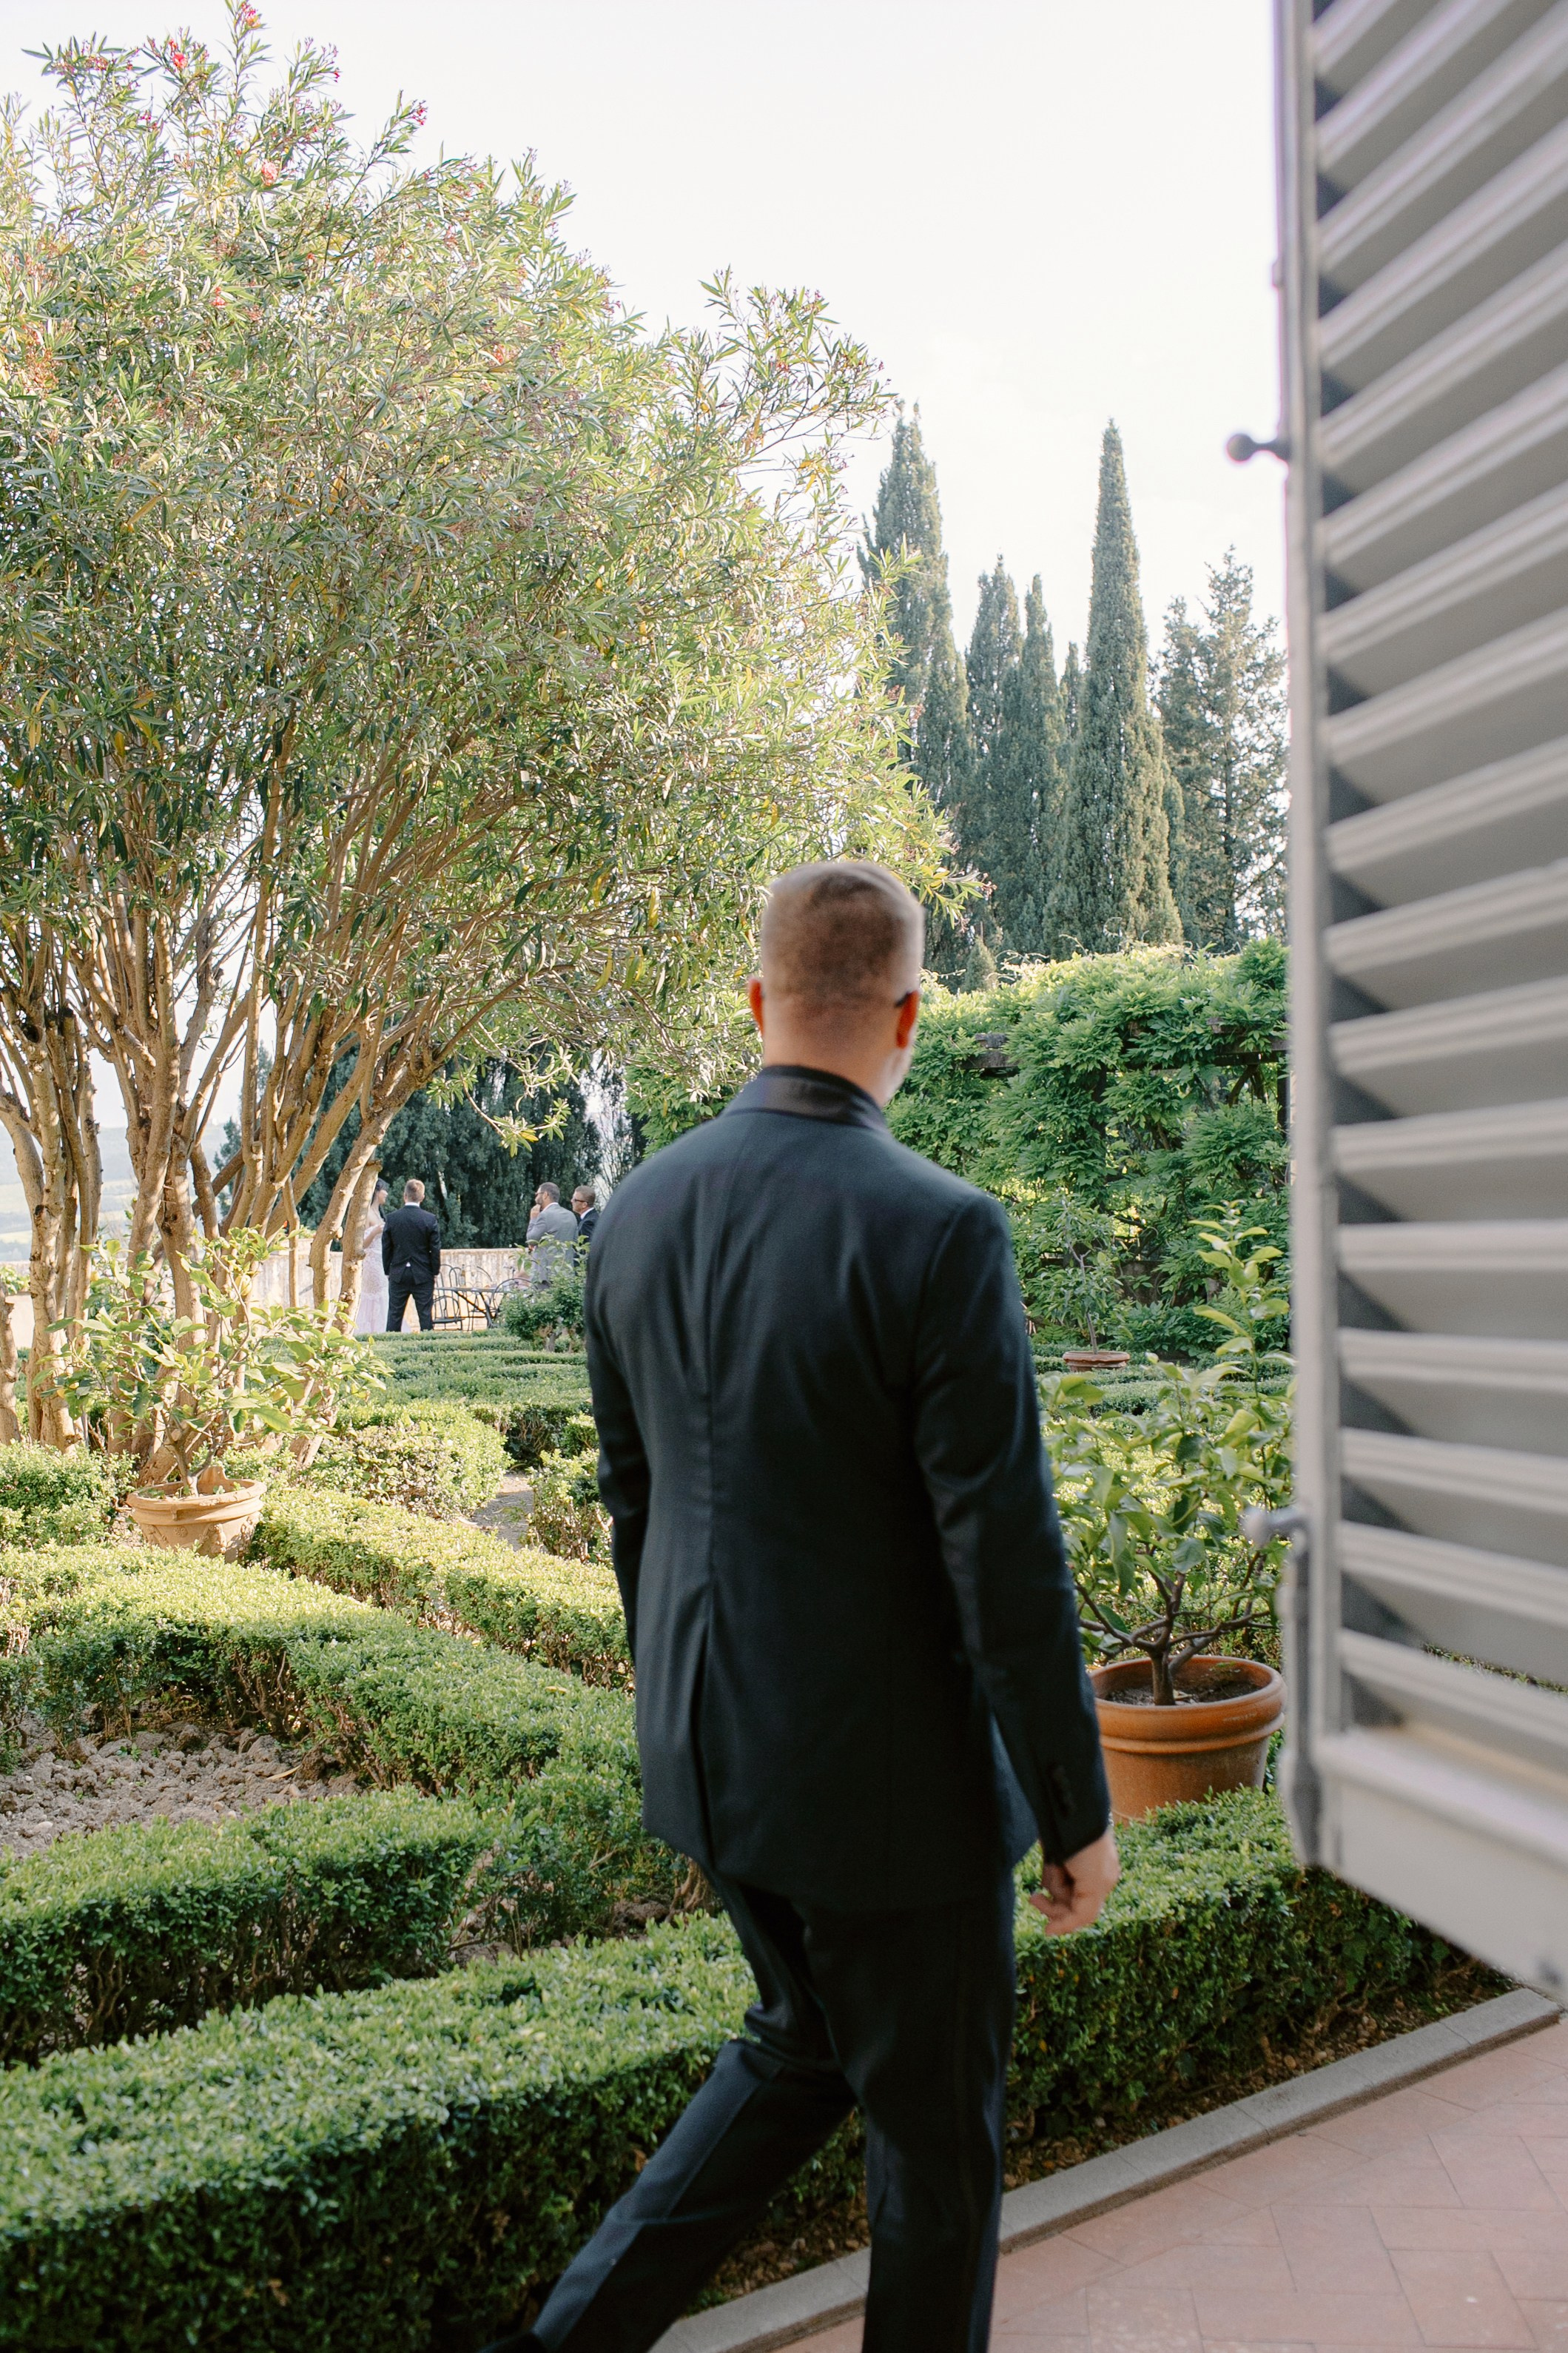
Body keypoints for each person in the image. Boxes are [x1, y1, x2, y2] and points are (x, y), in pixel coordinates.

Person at [488, 861, 1116, 2353]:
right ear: (911, 1014)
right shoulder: (941, 1226)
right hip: (892, 1800)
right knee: (934, 2151)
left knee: (802, 2047)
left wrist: (681, 1721)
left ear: (759, 1000)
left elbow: (637, 1504)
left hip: (714, 1758)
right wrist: (1074, 1799)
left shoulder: (635, 1208)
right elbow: (1003, 1552)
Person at [381, 1177, 441, 1332]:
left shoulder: (392, 1219)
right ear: (422, 1197)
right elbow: (435, 1249)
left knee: (394, 1315)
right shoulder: (429, 1219)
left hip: (398, 1273)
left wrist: (388, 1270)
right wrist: (435, 1271)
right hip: (423, 1273)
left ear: (404, 1196)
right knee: (425, 1315)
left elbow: (386, 1247)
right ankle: (428, 1350)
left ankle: (392, 1350)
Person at [352, 1179, 390, 1336]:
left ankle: (381, 1328)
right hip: (372, 1263)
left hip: (381, 1261)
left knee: (383, 1295)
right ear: (377, 1192)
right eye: (384, 1190)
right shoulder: (366, 1213)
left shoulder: (379, 1214)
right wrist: (375, 1232)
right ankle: (373, 1330)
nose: (386, 1194)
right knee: (375, 1297)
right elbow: (361, 1244)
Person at [525, 1179, 579, 1287]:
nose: (536, 1197)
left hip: (545, 1276)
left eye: (537, 1194)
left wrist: (533, 1219)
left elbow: (532, 1240)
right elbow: (575, 1242)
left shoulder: (544, 1215)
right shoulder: (570, 1215)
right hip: (566, 1274)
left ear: (545, 1195)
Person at [571, 1184, 599, 1249]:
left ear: (584, 1205)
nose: (571, 1201)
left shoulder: (588, 1223)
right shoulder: (595, 1217)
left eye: (575, 1200)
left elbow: (587, 1250)